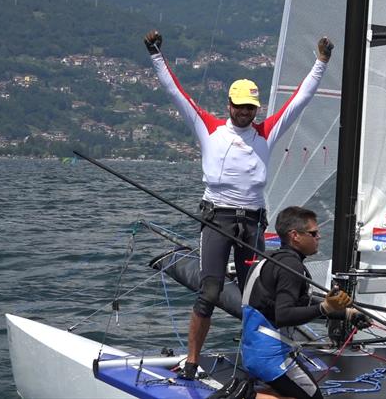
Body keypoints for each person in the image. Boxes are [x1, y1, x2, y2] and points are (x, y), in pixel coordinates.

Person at [143, 30, 334, 380]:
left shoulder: (266, 132)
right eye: (240, 106)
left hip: (252, 224)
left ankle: (258, 362)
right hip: (217, 220)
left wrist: (320, 62)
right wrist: (156, 54)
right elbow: (176, 93)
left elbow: (300, 101)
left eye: (251, 107)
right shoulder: (210, 128)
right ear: (229, 105)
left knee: (255, 297)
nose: (246, 112)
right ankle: (192, 361)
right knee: (210, 291)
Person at [239, 206, 371, 399]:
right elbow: (283, 315)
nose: (319, 237)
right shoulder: (291, 267)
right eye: (313, 233)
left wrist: (348, 313)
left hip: (253, 353)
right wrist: (325, 307)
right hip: (272, 359)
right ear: (295, 236)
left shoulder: (271, 259)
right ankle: (244, 396)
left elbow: (301, 302)